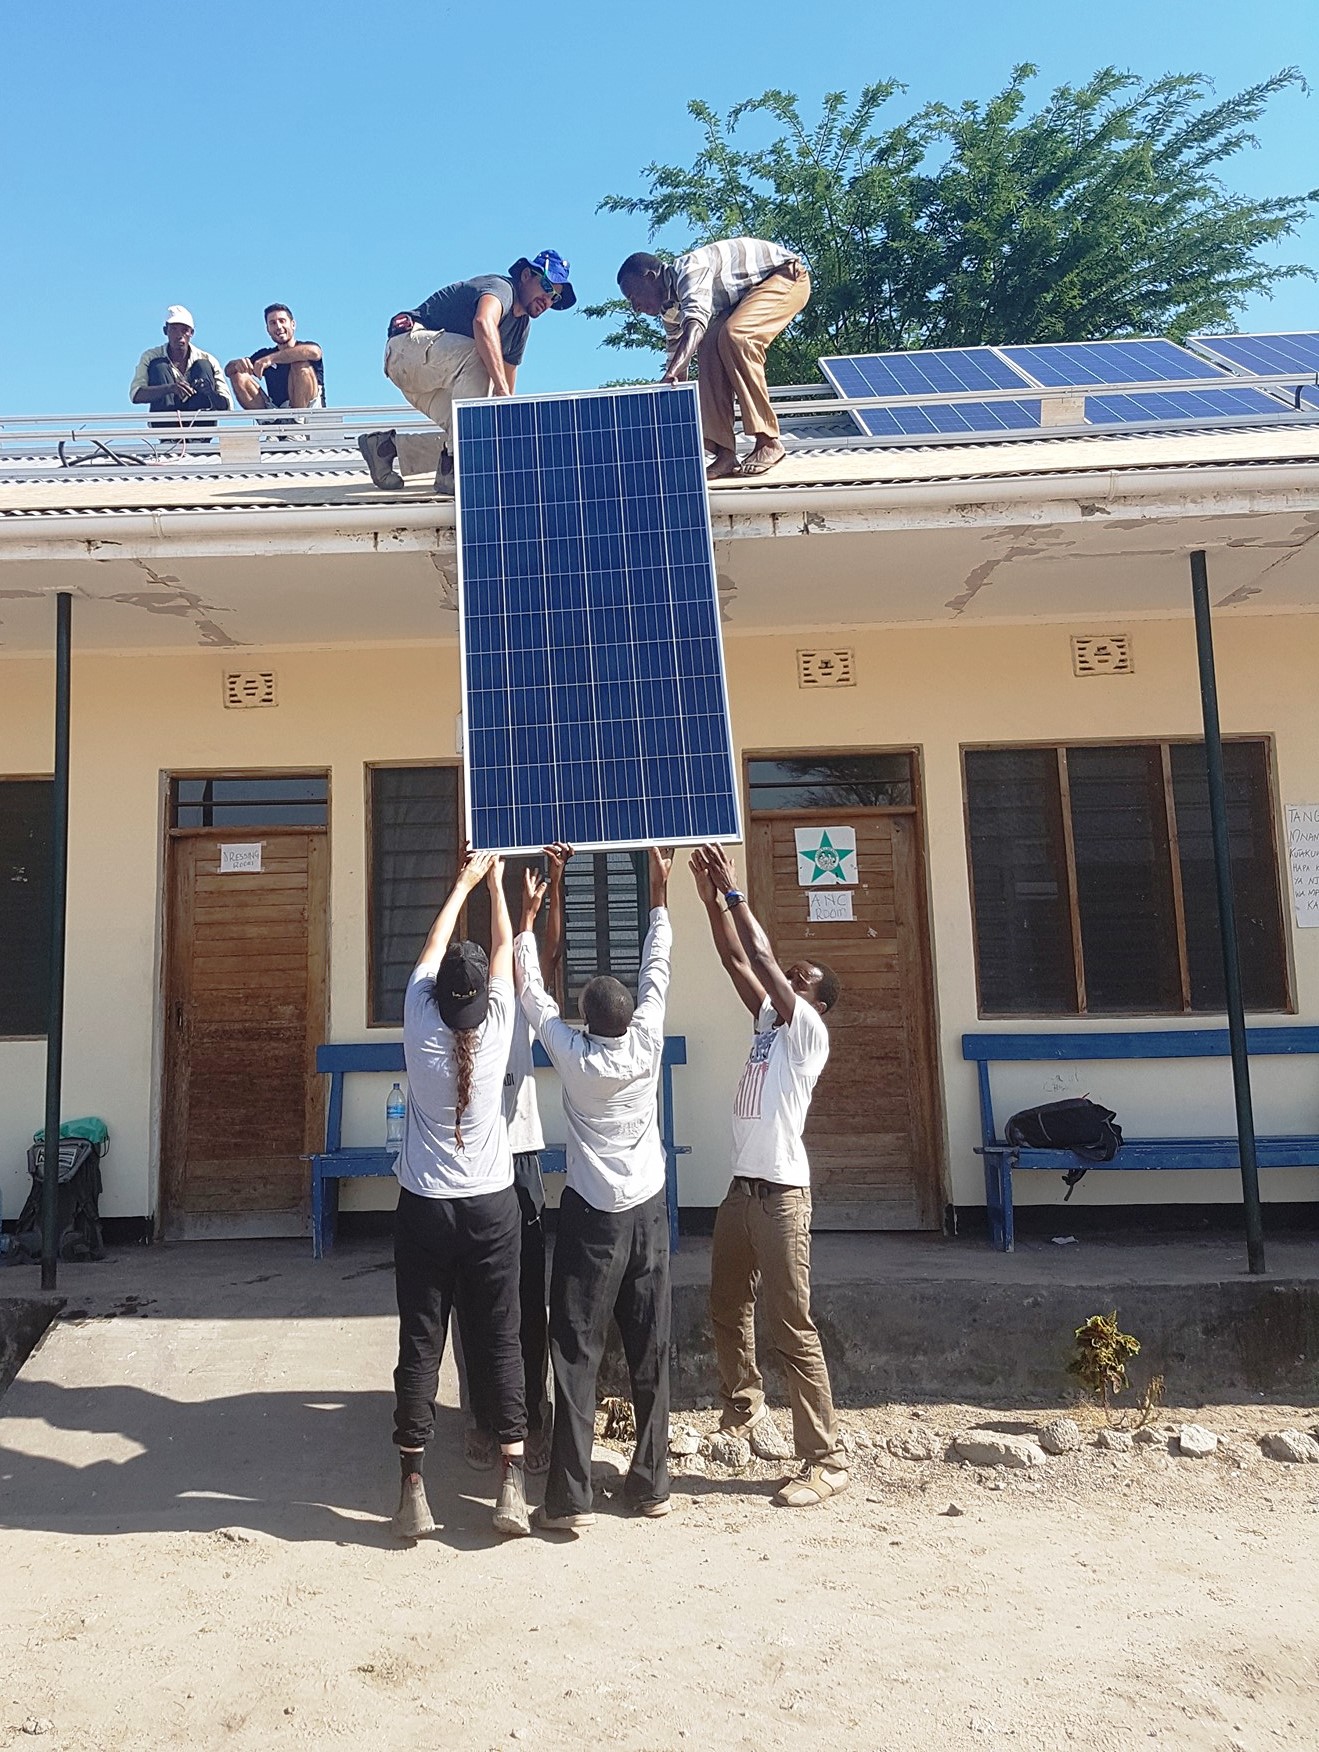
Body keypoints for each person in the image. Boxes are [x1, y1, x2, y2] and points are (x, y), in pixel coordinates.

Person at [514, 846, 674, 1530]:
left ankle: (570, 1498)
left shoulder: (573, 1057)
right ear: (628, 1014)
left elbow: (529, 992)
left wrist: (531, 912)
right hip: (649, 1213)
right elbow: (657, 966)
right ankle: (652, 1482)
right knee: (651, 1345)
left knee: (577, 1349)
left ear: (584, 1019)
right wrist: (660, 894)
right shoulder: (647, 1039)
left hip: (591, 1217)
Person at [689, 843, 848, 1509]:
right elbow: (736, 959)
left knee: (792, 1323)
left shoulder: (805, 1029)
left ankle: (826, 1458)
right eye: (790, 972)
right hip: (740, 1190)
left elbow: (756, 956)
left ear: (811, 997)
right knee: (727, 1304)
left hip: (782, 1195)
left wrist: (734, 892)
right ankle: (743, 1402)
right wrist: (706, 903)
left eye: (798, 975)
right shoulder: (766, 1024)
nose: (787, 973)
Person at [390, 851, 529, 1542]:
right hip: (489, 1209)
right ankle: (510, 1481)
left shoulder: (419, 1025)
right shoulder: (497, 1028)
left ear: (437, 998)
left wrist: (461, 884)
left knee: (420, 1340)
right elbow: (503, 947)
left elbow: (431, 950)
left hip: (424, 1206)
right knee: (497, 1335)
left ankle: (413, 1486)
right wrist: (498, 887)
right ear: (478, 1002)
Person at [457, 844, 573, 1477]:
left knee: (528, 1295)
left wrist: (545, 892)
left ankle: (531, 1413)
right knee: (472, 1297)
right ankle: (482, 1415)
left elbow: (543, 958)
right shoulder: (459, 1016)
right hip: (475, 1169)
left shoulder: (521, 1002)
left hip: (521, 1158)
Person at [358, 250, 577, 496]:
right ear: (526, 275)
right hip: (406, 352)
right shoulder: (501, 288)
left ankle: (384, 448)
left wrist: (507, 434)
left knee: (478, 434)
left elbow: (506, 391)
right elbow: (483, 323)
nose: (548, 299)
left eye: (555, 297)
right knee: (482, 355)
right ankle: (453, 469)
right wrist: (502, 391)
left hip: (435, 375)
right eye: (547, 286)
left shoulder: (521, 328)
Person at [616, 240, 811, 480]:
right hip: (745, 297)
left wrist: (672, 374)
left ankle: (768, 441)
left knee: (737, 335)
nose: (635, 307)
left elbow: (695, 326)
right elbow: (679, 363)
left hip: (783, 277)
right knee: (707, 346)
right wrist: (665, 407)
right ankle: (725, 454)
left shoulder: (688, 270)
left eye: (633, 296)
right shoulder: (670, 311)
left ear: (650, 276)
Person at [129, 306, 231, 422]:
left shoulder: (208, 359)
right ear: (165, 331)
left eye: (184, 330)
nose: (179, 335)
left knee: (203, 366)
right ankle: (169, 435)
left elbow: (226, 406)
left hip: (199, 431)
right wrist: (170, 388)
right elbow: (136, 395)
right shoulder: (150, 357)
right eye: (174, 329)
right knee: (159, 366)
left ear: (191, 333)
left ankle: (199, 433)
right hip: (167, 430)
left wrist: (210, 392)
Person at [224, 304, 325, 412]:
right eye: (273, 323)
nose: (278, 326)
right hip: (278, 414)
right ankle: (267, 419)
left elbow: (315, 352)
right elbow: (228, 370)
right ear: (268, 329)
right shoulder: (264, 355)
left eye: (282, 321)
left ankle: (297, 417)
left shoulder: (307, 347)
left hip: (310, 412)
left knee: (299, 363)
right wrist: (237, 364)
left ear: (293, 324)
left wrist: (270, 360)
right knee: (238, 374)